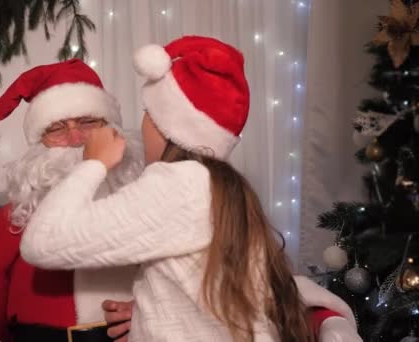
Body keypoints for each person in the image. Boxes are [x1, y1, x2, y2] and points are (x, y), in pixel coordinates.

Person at [20, 37, 363, 341]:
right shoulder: (222, 185)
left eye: (147, 113)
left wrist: (93, 163)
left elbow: (43, 242)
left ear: (163, 122)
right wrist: (146, 314)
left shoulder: (175, 186)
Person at [0, 59, 145, 342]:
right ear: (39, 144)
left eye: (88, 122)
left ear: (113, 131)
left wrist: (153, 312)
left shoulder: (154, 212)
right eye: (57, 128)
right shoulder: (9, 226)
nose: (75, 138)